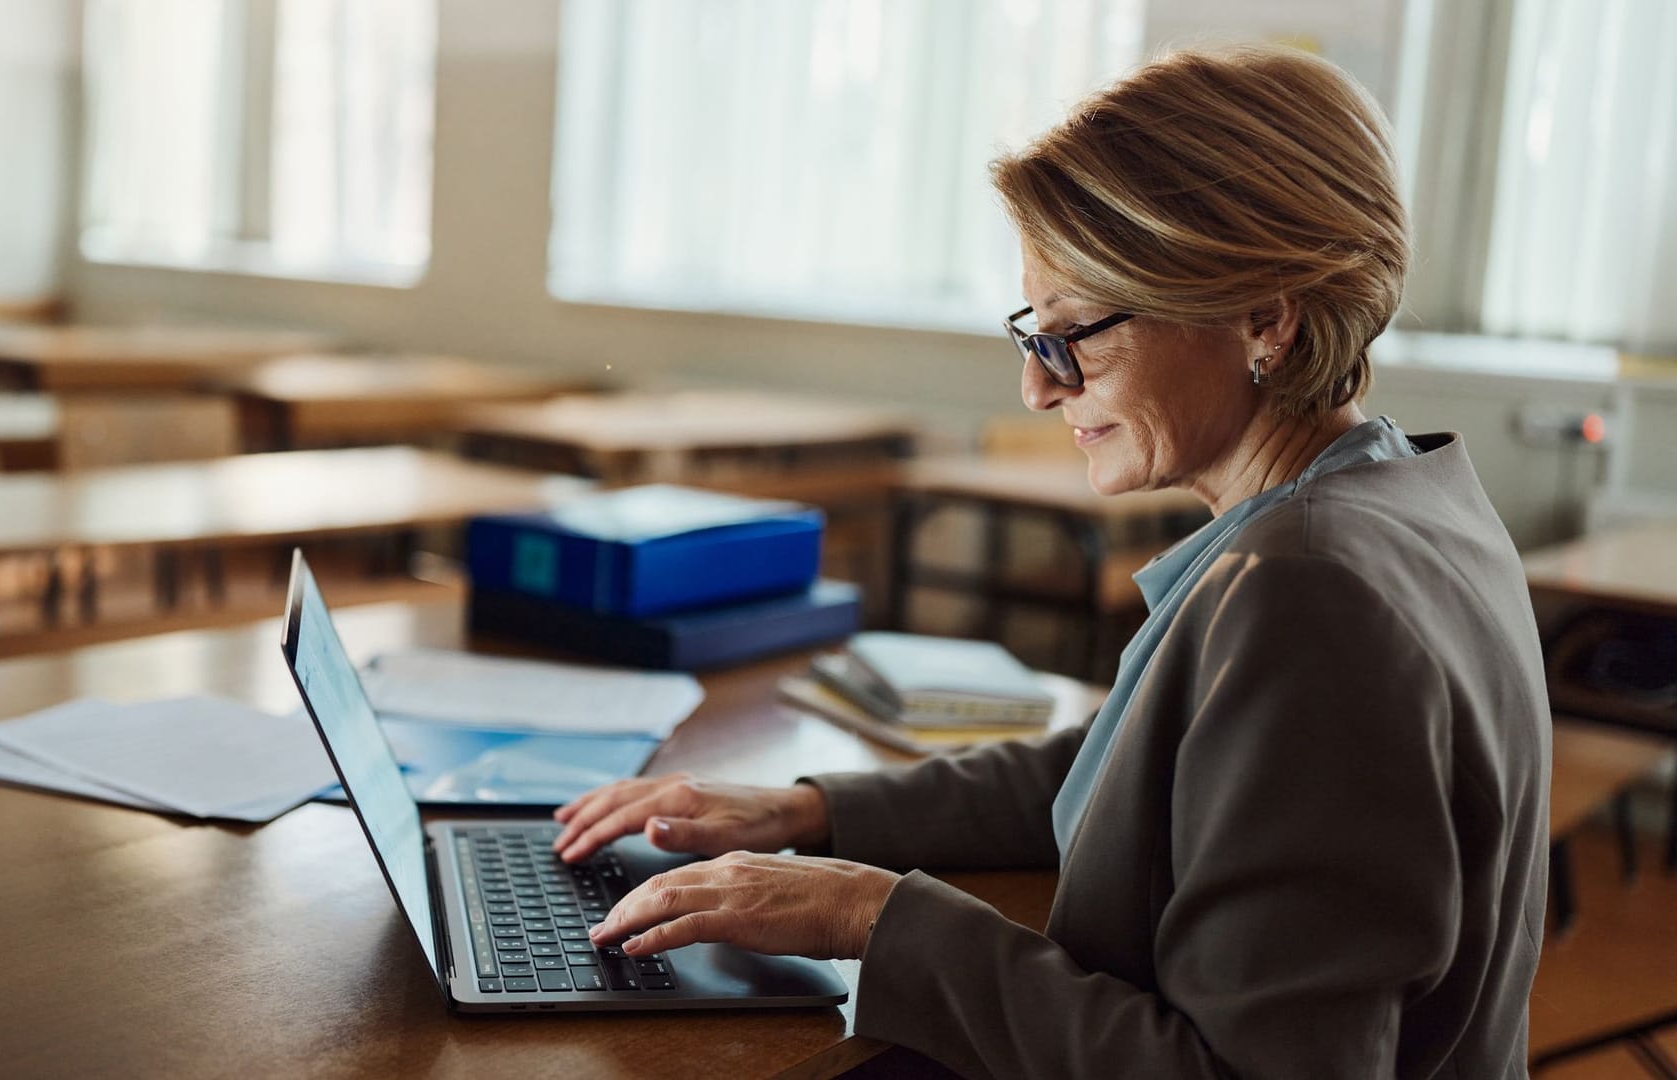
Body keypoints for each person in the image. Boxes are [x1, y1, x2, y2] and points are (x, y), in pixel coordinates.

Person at [551, 44, 1549, 1078]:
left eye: (1073, 334)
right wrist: (812, 811)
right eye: (1034, 331)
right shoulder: (1407, 494)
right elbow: (1141, 771)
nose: (1037, 388)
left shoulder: (1305, 586)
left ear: (1264, 316)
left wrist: (875, 916)